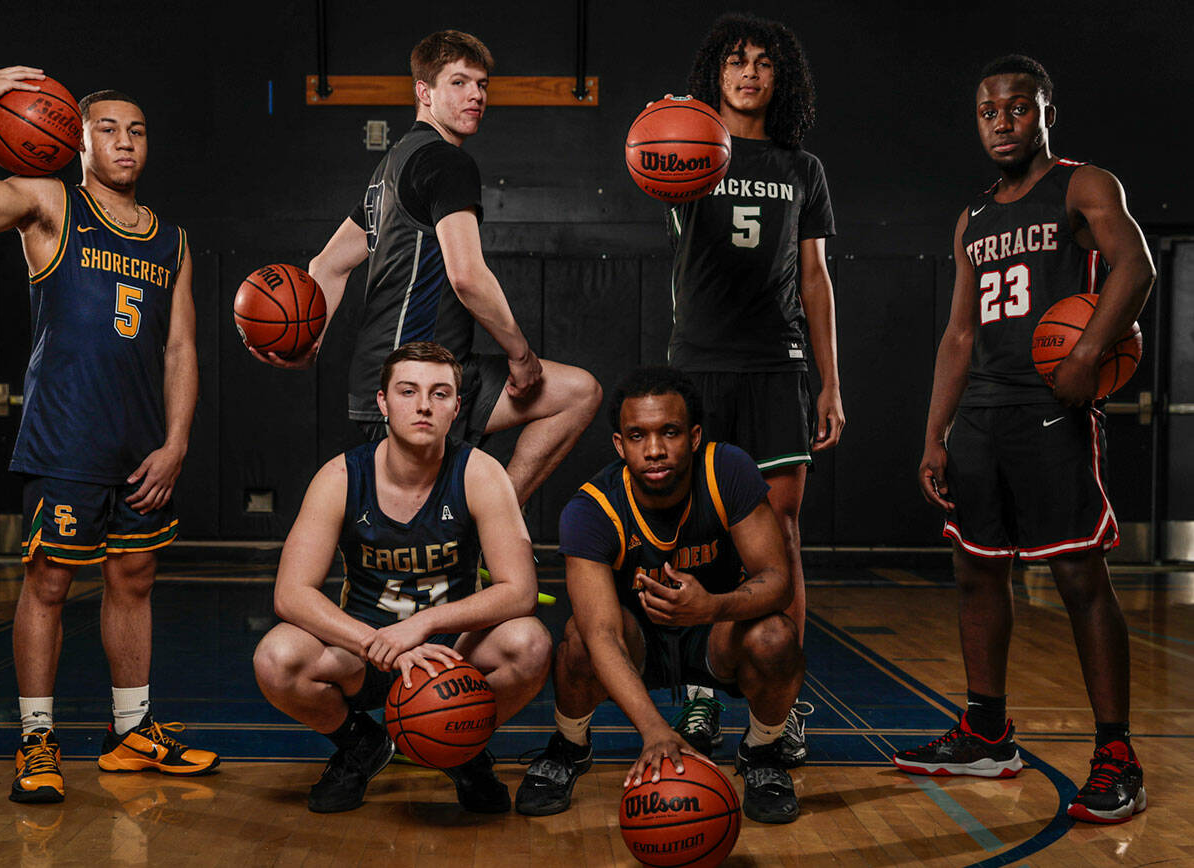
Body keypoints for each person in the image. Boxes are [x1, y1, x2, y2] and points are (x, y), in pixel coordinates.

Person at [0, 68, 217, 804]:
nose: (125, 141)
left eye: (138, 130)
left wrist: (177, 441)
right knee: (50, 583)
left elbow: (181, 350)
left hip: (141, 444)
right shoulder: (51, 202)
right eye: (110, 129)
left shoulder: (172, 240)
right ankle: (36, 740)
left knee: (134, 579)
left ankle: (130, 733)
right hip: (64, 437)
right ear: (77, 140)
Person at [893, 55, 1154, 824]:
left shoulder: (1083, 184)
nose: (1001, 122)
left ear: (1044, 112)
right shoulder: (972, 218)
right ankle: (986, 731)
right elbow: (958, 334)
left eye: (1016, 108)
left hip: (1051, 412)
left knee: (1078, 579)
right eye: (987, 111)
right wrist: (934, 434)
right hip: (980, 416)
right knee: (976, 573)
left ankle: (1116, 753)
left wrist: (1084, 354)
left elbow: (1134, 266)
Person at [252, 29, 601, 506]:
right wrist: (521, 354)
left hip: (443, 370)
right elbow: (467, 276)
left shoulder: (393, 165)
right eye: (459, 82)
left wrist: (312, 343)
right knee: (409, 537)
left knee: (579, 392)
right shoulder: (444, 162)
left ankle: (493, 520)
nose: (476, 95)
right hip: (409, 381)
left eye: (482, 85)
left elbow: (326, 265)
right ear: (424, 91)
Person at [252, 342, 552, 814]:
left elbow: (521, 591)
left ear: (457, 406)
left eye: (439, 393)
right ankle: (360, 745)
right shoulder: (341, 477)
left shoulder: (479, 473)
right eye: (408, 391)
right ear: (383, 402)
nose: (423, 405)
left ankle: (463, 748)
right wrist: (378, 641)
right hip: (363, 653)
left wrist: (424, 626)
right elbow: (291, 594)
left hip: (453, 656)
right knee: (277, 657)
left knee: (530, 645)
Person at [662, 12, 840, 768]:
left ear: (782, 79)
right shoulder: (688, 151)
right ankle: (701, 691)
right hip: (699, 361)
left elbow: (815, 277)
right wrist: (668, 126)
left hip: (777, 365)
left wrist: (831, 382)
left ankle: (782, 708)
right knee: (700, 532)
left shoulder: (805, 168)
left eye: (765, 62)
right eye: (736, 60)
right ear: (716, 74)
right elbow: (652, 167)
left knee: (783, 539)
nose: (750, 72)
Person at [515, 367, 804, 824]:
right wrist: (654, 732)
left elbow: (778, 579)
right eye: (637, 435)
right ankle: (569, 746)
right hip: (636, 645)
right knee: (577, 640)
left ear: (693, 437)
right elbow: (602, 634)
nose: (654, 450)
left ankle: (762, 753)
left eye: (669, 432)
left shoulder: (725, 469)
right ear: (619, 444)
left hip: (712, 632)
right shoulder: (591, 509)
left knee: (776, 636)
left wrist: (712, 606)